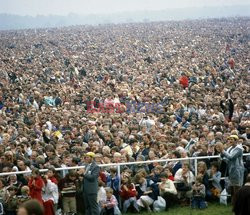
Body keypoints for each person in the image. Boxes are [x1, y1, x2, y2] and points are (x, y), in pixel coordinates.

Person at [216, 135, 245, 204]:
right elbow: (227, 159)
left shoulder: (239, 149)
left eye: (232, 139)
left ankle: (239, 206)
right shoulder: (229, 148)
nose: (230, 141)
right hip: (230, 171)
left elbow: (231, 157)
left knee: (237, 189)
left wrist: (222, 150)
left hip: (237, 171)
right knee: (231, 190)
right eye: (229, 139)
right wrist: (221, 153)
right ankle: (234, 205)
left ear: (236, 141)